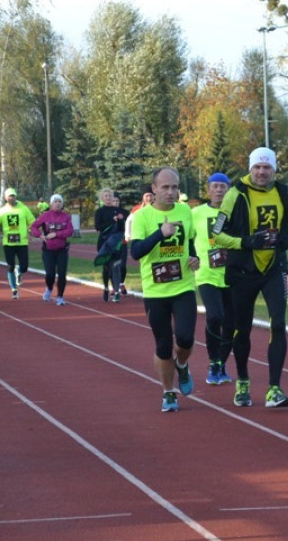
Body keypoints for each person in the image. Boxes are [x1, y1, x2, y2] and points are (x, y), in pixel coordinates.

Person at [213, 147, 288, 408]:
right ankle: (243, 382)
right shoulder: (235, 194)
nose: (262, 172)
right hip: (242, 271)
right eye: (257, 167)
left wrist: (284, 240)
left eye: (266, 167)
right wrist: (246, 242)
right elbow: (217, 235)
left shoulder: (282, 192)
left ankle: (274, 389)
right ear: (250, 169)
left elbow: (285, 227)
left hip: (273, 268)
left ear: (274, 169)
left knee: (278, 323)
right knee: (242, 329)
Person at [130, 167, 200, 412]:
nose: (171, 192)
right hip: (155, 291)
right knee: (162, 346)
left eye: (174, 187)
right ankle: (168, 392)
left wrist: (195, 258)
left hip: (183, 286)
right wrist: (160, 233)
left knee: (185, 338)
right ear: (154, 189)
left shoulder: (185, 211)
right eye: (165, 187)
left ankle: (182, 364)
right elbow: (136, 252)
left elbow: (190, 241)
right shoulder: (142, 217)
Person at [192, 172, 234, 386]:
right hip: (206, 273)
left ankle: (221, 363)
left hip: (231, 275)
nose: (219, 190)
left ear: (228, 191)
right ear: (208, 190)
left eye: (223, 187)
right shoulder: (197, 213)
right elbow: (187, 239)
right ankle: (213, 361)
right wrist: (191, 258)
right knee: (215, 316)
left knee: (230, 323)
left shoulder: (234, 212)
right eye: (215, 186)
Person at [0, 187, 36, 299]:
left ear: (16, 197)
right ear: (6, 198)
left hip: (22, 242)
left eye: (13, 196)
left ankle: (19, 272)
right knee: (10, 266)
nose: (12, 198)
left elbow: (33, 221)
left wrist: (30, 232)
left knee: (24, 266)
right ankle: (14, 290)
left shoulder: (23, 208)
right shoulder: (3, 211)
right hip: (8, 243)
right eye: (9, 196)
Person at [30, 193, 74, 306]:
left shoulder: (66, 217)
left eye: (60, 202)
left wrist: (56, 234)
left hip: (62, 250)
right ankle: (49, 288)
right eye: (55, 202)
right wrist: (39, 235)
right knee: (50, 274)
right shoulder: (45, 215)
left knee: (62, 273)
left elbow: (70, 231)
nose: (58, 204)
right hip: (48, 250)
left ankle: (60, 297)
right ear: (51, 203)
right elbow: (33, 227)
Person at [93, 187, 128, 302]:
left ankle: (116, 291)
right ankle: (106, 288)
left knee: (116, 266)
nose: (108, 198)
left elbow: (123, 228)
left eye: (110, 196)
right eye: (106, 196)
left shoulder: (118, 211)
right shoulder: (100, 211)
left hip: (116, 243)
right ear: (102, 198)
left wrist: (121, 220)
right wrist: (112, 221)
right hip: (104, 242)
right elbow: (98, 227)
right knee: (107, 267)